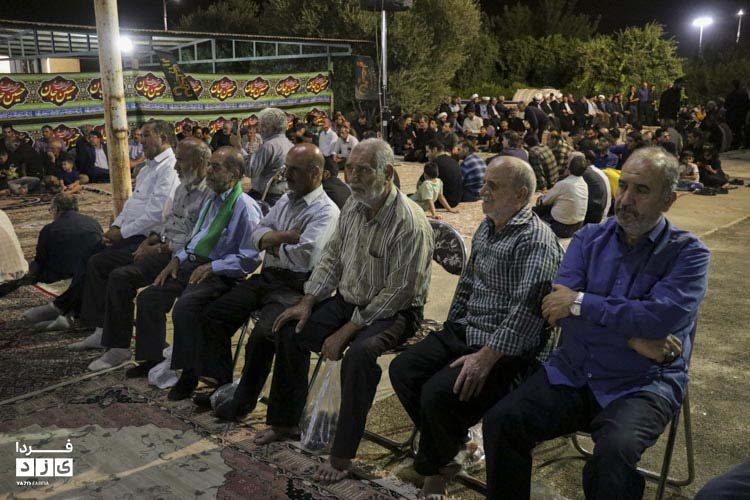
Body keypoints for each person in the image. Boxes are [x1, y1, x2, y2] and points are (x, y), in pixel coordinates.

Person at [482, 147, 710, 500]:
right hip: (574, 370)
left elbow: (657, 318)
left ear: (669, 199)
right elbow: (554, 311)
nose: (626, 199)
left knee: (612, 461)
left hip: (642, 384)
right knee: (502, 421)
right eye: (624, 186)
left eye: (642, 190)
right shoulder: (589, 238)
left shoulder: (689, 255)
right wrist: (633, 339)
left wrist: (581, 303)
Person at [260, 139, 433, 483]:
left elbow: (399, 292)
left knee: (358, 356)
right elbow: (332, 259)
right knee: (290, 329)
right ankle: (284, 422)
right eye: (349, 168)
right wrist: (308, 299)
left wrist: (348, 329)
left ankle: (341, 455)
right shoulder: (353, 205)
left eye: (363, 170)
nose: (352, 177)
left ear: (387, 172)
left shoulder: (409, 221)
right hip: (350, 299)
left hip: (395, 311)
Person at [390, 156, 563, 498]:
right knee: (404, 370)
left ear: (520, 194)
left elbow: (526, 315)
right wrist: (451, 329)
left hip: (507, 350)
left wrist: (486, 356)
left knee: (437, 394)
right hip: (469, 330)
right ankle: (454, 449)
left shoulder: (537, 241)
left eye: (492, 186)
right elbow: (467, 283)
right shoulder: (488, 225)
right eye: (484, 183)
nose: (482, 191)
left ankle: (435, 472)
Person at [193, 143, 340, 418]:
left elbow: (305, 256)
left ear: (315, 172)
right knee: (215, 314)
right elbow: (256, 234)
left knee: (263, 336)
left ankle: (242, 402)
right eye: (286, 168)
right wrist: (284, 237)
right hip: (268, 277)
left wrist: (269, 242)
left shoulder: (326, 211)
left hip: (298, 285)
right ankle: (221, 387)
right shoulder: (286, 200)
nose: (286, 175)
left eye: (294, 170)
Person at [22, 120, 180, 330]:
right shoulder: (148, 169)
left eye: (147, 136)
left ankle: (85, 319)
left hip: (148, 238)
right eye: (141, 136)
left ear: (164, 138)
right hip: (131, 233)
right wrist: (116, 227)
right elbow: (133, 205)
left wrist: (122, 233)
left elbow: (156, 214)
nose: (141, 141)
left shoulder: (169, 169)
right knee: (89, 252)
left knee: (99, 262)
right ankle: (70, 311)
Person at [138, 146, 264, 400]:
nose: (209, 171)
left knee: (185, 309)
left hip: (221, 273)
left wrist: (212, 267)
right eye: (209, 165)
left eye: (216, 167)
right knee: (150, 297)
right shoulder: (212, 201)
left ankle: (189, 374)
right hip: (194, 265)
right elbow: (197, 239)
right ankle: (152, 358)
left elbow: (249, 259)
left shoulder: (244, 207)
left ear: (234, 174)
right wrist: (177, 259)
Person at [81, 138, 213, 370]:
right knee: (118, 275)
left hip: (189, 258)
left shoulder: (210, 195)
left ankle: (152, 357)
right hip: (167, 250)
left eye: (180, 161)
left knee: (148, 296)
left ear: (197, 162)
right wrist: (151, 239)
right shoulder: (183, 188)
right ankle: (118, 347)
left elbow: (197, 239)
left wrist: (159, 248)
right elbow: (169, 221)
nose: (175, 166)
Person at [10, 193, 102, 295]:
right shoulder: (93, 222)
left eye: (51, 210)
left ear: (56, 209)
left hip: (61, 275)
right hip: (90, 271)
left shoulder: (49, 229)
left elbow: (41, 259)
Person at [245, 108, 294, 205]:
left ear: (271, 128)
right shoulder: (290, 145)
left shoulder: (269, 146)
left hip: (265, 196)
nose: (259, 129)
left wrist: (238, 147)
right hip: (283, 195)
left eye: (262, 125)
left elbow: (251, 171)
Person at [533, 154, 589, 238]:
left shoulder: (563, 184)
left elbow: (545, 201)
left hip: (561, 227)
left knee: (539, 207)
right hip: (578, 225)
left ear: (569, 168)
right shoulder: (584, 184)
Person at [574, 153, 610, 224]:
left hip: (596, 216)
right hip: (603, 210)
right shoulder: (596, 171)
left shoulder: (585, 173)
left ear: (587, 161)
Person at [425, 140, 463, 208]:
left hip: (443, 202)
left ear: (435, 150)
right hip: (456, 200)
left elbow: (422, 184)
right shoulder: (453, 161)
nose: (426, 155)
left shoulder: (436, 163)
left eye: (428, 152)